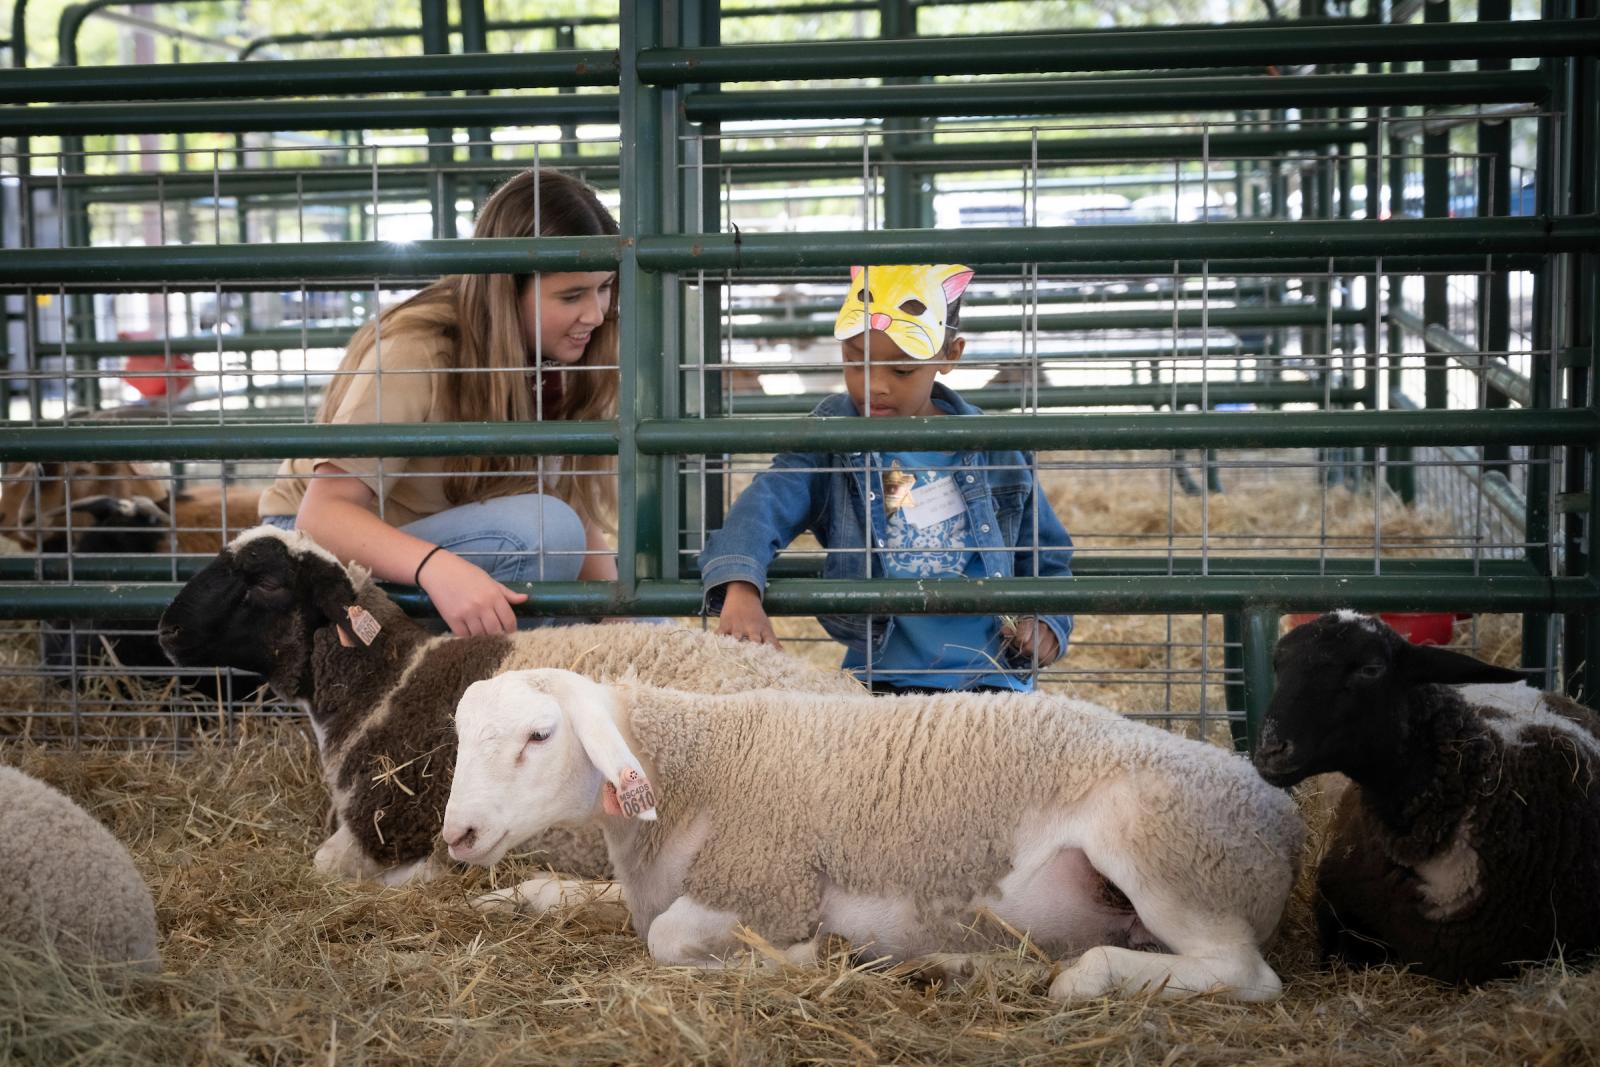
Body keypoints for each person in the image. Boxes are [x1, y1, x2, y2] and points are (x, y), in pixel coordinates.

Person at [258, 168, 619, 636]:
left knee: (593, 570)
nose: (596, 313)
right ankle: (472, 699)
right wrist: (437, 567)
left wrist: (625, 618)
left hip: (448, 540)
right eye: (572, 295)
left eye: (605, 287)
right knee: (545, 532)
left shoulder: (562, 355)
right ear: (508, 287)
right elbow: (322, 516)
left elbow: (573, 513)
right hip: (327, 547)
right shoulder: (417, 347)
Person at [699, 263, 1073, 693]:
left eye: (900, 370)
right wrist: (741, 584)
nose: (874, 386)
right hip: (881, 677)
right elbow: (765, 505)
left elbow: (1046, 555)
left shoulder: (996, 447)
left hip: (993, 679)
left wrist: (1047, 623)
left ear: (949, 354)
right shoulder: (833, 438)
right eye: (857, 362)